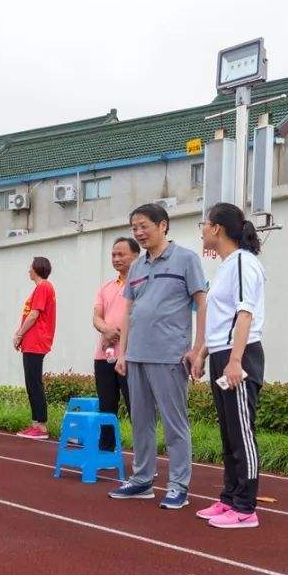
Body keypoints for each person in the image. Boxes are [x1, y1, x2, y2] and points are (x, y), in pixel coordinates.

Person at [109, 203, 207, 510]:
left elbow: (202, 304)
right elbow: (128, 312)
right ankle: (142, 480)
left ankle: (179, 485)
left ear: (163, 225)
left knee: (174, 423)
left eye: (143, 226)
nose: (138, 233)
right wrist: (123, 352)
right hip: (136, 354)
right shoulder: (137, 267)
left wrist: (198, 348)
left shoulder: (186, 260)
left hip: (169, 355)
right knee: (140, 422)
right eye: (134, 228)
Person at [194, 202, 266, 529]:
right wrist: (204, 354)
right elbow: (221, 319)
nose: (202, 230)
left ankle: (246, 507)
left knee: (242, 432)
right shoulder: (224, 266)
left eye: (204, 224)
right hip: (223, 352)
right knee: (228, 432)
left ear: (218, 229)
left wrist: (235, 361)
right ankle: (229, 498)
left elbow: (244, 313)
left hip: (240, 354)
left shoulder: (242, 263)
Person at [93, 237, 140, 450]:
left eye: (122, 254)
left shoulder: (142, 284)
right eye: (113, 255)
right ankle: (106, 451)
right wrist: (106, 330)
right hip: (104, 355)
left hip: (131, 356)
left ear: (136, 256)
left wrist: (123, 334)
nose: (116, 258)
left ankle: (144, 459)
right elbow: (96, 317)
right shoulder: (106, 287)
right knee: (106, 407)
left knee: (137, 408)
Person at [13, 256, 56, 439]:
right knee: (32, 383)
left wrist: (19, 334)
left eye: (30, 267)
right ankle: (36, 424)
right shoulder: (42, 288)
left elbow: (34, 314)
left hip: (36, 341)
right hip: (32, 342)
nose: (28, 270)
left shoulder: (43, 287)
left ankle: (41, 426)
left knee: (34, 383)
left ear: (37, 268)